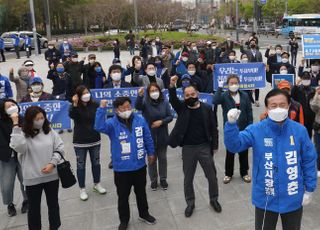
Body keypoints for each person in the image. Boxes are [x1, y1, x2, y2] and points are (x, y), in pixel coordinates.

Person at [224, 89, 317, 230]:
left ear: (289, 106)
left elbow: (309, 160)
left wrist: (309, 189)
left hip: (292, 194)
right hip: (265, 195)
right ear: (267, 108)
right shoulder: (256, 130)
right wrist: (231, 125)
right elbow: (234, 145)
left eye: (282, 104)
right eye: (273, 105)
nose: (278, 108)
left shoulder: (299, 130)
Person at [94, 97, 156, 230]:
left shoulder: (140, 119)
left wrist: (151, 153)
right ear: (117, 110)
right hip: (122, 169)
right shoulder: (111, 124)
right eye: (123, 108)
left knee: (141, 193)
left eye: (128, 106)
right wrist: (101, 109)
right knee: (123, 197)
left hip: (139, 165)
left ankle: (144, 213)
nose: (127, 110)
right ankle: (124, 220)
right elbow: (99, 127)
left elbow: (147, 137)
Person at [168, 76, 221, 217]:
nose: (190, 96)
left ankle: (214, 199)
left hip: (204, 147)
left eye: (192, 94)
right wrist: (172, 85)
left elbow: (214, 128)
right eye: (187, 95)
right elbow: (173, 99)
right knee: (188, 179)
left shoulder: (207, 108)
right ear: (184, 97)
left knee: (212, 176)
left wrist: (215, 145)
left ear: (197, 94)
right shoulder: (182, 108)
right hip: (188, 149)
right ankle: (190, 203)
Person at [10, 106, 64, 230]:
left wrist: (52, 163)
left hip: (52, 176)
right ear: (29, 120)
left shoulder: (50, 131)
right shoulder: (22, 134)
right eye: (37, 119)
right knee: (33, 209)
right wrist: (15, 126)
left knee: (53, 205)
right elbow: (19, 147)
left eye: (42, 118)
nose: (40, 121)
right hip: (32, 178)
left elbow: (60, 148)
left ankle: (55, 227)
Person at [213, 74, 253, 184]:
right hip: (231, 129)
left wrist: (250, 125)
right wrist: (219, 88)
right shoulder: (224, 96)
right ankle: (228, 174)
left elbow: (249, 111)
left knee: (244, 152)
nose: (234, 85)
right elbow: (215, 101)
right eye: (231, 83)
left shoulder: (244, 95)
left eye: (236, 83)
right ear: (228, 84)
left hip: (244, 128)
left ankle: (244, 173)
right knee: (230, 151)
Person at [69, 85, 106, 201]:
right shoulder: (74, 106)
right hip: (80, 141)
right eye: (83, 93)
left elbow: (100, 117)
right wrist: (75, 104)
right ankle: (82, 189)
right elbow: (72, 115)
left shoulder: (94, 104)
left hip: (94, 138)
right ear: (78, 96)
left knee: (96, 162)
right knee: (81, 165)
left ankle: (97, 184)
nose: (86, 95)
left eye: (87, 92)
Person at [135, 83, 173, 190]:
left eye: (156, 90)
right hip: (149, 136)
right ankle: (153, 180)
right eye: (151, 91)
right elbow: (138, 106)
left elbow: (170, 116)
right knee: (151, 160)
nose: (154, 92)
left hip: (162, 136)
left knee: (163, 158)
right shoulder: (145, 103)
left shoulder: (164, 102)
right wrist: (140, 96)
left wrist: (161, 122)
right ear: (148, 93)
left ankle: (163, 179)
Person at [0, 99, 28, 217]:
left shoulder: (23, 119)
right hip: (7, 157)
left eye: (13, 104)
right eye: (8, 106)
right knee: (7, 183)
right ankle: (9, 204)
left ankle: (27, 200)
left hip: (23, 155)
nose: (12, 107)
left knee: (25, 180)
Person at [291, 72, 315, 138]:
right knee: (299, 133)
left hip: (310, 116)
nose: (306, 80)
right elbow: (292, 96)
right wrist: (296, 85)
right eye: (304, 78)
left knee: (308, 133)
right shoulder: (297, 89)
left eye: (307, 78)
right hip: (300, 114)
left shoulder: (313, 90)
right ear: (301, 79)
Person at [240, 38, 263, 107]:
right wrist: (241, 43)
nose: (252, 44)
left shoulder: (259, 53)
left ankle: (256, 100)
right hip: (249, 71)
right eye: (251, 43)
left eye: (254, 43)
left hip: (257, 72)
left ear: (256, 44)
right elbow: (241, 50)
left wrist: (262, 68)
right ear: (249, 45)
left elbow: (261, 61)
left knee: (257, 86)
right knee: (249, 86)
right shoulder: (247, 51)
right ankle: (250, 99)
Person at [310, 86, 320, 177]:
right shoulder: (317, 96)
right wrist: (317, 95)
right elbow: (313, 107)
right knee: (318, 148)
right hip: (318, 126)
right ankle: (319, 167)